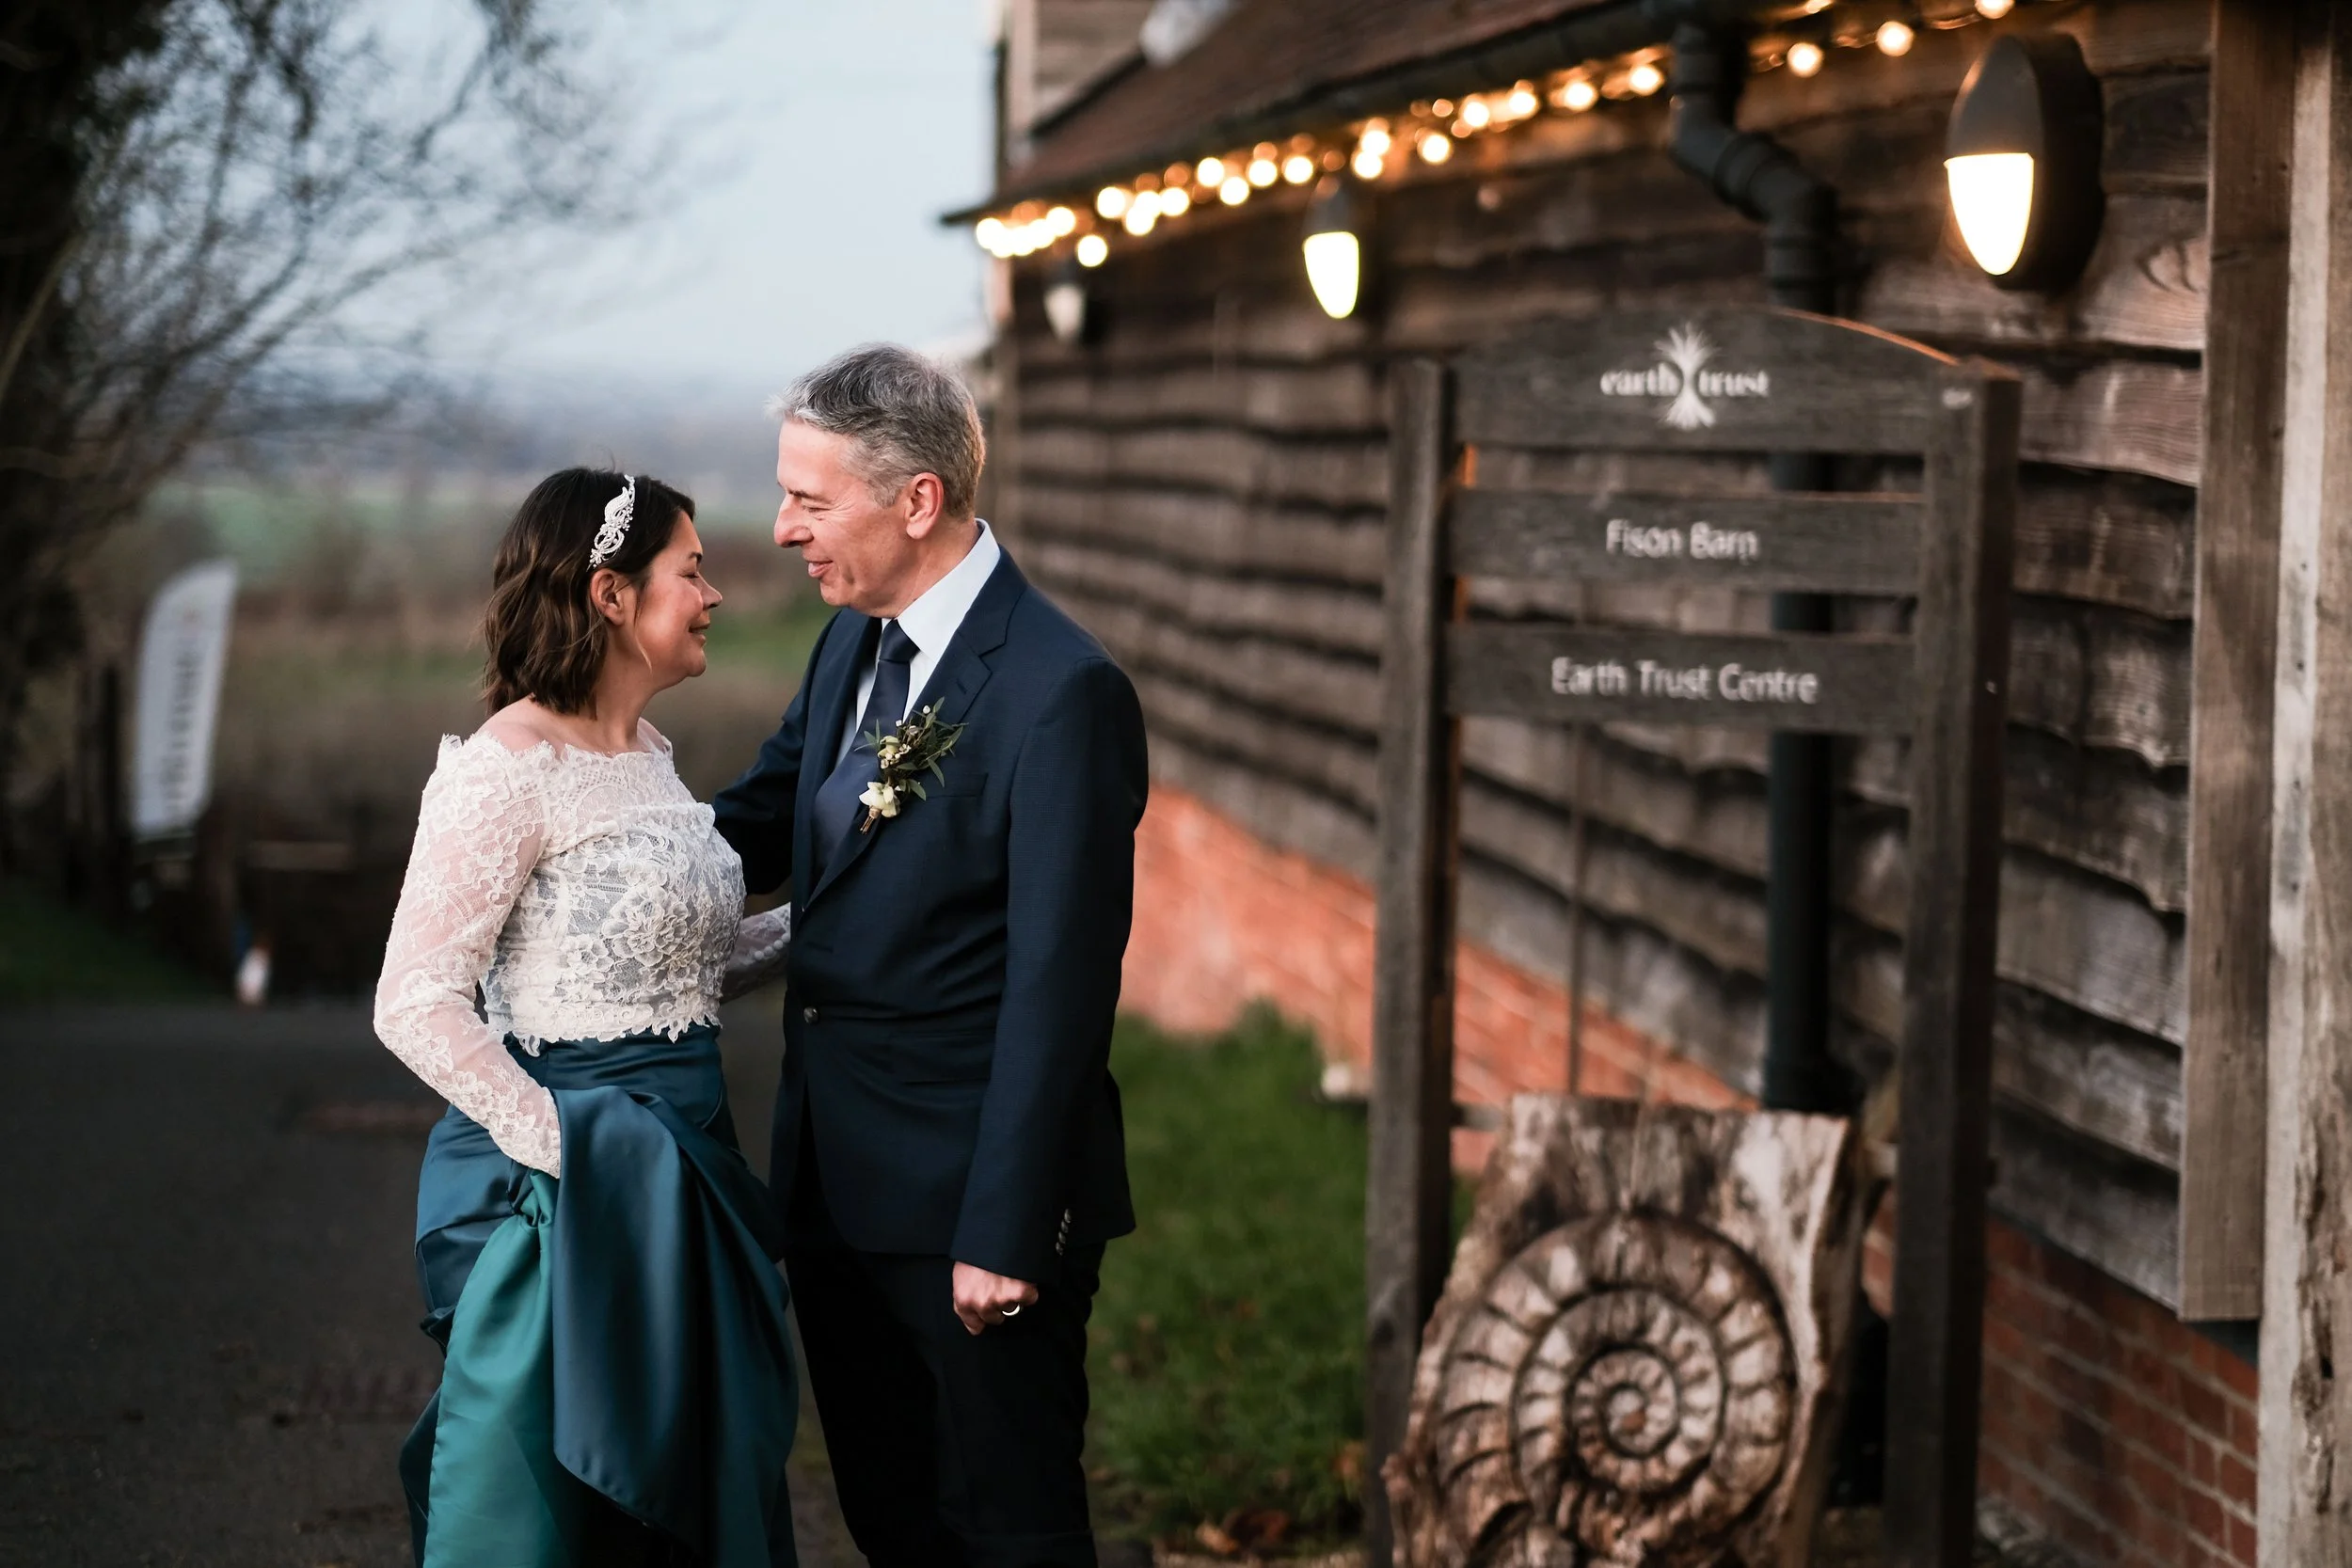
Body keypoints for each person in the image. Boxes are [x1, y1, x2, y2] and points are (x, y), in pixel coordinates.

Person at [714, 344, 1147, 1568]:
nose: (787, 528)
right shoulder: (851, 641)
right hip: (835, 1195)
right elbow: (748, 825)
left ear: (917, 500)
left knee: (1008, 1534)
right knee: (894, 1524)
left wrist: (1006, 1226)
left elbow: (1062, 988)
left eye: (811, 498)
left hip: (974, 1208)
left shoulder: (1063, 694)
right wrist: (562, 835)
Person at [373, 467, 800, 1567]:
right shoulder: (503, 770)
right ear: (611, 594)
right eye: (691, 572)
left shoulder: (649, 757)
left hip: (687, 1161)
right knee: (567, 1501)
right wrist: (567, 1146)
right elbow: (413, 999)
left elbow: (679, 974)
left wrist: (831, 918)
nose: (713, 595)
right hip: (570, 1183)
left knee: (700, 1474)